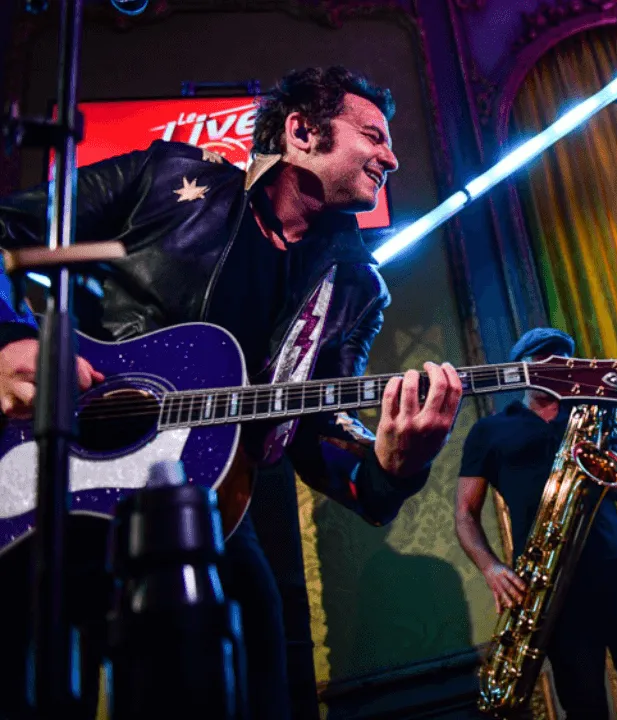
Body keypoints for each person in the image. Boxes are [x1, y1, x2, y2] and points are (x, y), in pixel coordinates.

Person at [0, 66, 464, 719]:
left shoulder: (355, 288)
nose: (392, 158)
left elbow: (314, 431)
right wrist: (7, 340)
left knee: (258, 670)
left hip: (205, 506)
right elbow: (6, 228)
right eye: (373, 136)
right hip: (50, 475)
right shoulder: (163, 179)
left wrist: (393, 466)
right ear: (301, 132)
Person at [455, 327, 617, 719]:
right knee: (584, 707)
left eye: (562, 362)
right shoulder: (489, 431)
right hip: (551, 583)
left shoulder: (592, 416)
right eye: (543, 361)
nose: (554, 369)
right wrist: (491, 568)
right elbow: (464, 515)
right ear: (521, 369)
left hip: (616, 567)